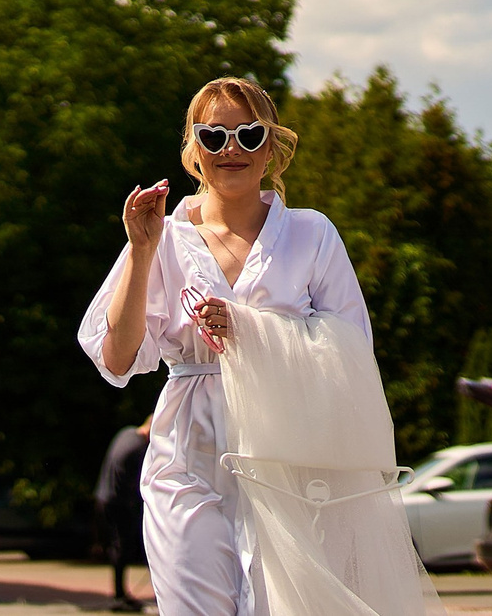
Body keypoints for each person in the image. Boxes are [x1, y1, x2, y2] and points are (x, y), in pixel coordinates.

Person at [77, 76, 370, 616]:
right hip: (186, 454)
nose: (231, 149)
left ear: (272, 147)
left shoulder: (312, 234)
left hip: (286, 456)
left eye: (249, 135)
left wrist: (251, 332)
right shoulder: (165, 234)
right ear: (194, 151)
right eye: (213, 137)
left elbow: (352, 351)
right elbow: (117, 360)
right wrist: (142, 251)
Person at [95, 416, 151, 611]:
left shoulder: (127, 432)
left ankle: (120, 593)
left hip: (103, 496)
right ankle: (119, 596)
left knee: (118, 546)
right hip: (119, 501)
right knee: (123, 547)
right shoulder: (140, 449)